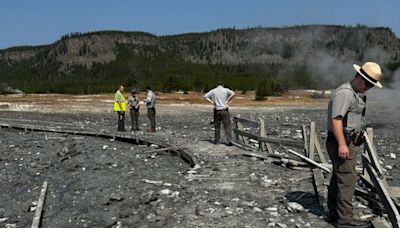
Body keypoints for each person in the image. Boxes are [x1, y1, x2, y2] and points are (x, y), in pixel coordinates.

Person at [326, 62, 383, 227]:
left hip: (345, 140)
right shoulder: (345, 93)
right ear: (358, 77)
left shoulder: (354, 93)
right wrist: (343, 144)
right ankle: (345, 220)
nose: (368, 87)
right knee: (347, 180)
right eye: (367, 83)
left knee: (339, 178)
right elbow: (336, 120)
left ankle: (334, 214)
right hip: (340, 141)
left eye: (371, 85)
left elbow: (347, 121)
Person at [204, 81, 235, 146]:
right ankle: (229, 140)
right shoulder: (225, 90)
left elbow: (205, 96)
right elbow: (233, 93)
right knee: (227, 126)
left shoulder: (213, 91)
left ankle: (217, 141)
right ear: (223, 85)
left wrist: (212, 102)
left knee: (217, 126)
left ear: (217, 85)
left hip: (217, 110)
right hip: (224, 109)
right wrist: (227, 100)